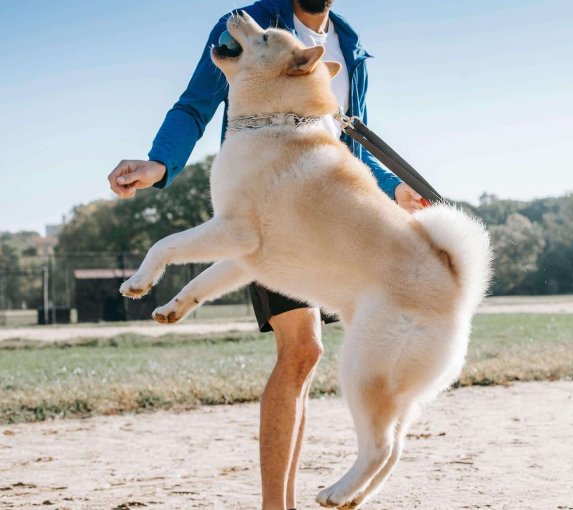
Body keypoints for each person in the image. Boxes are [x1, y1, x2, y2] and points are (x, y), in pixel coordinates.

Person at [106, 1, 423, 508]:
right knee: (300, 349)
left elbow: (347, 142)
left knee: (311, 353)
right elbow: (195, 105)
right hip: (266, 201)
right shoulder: (256, 23)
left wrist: (394, 189)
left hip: (326, 217)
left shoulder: (349, 45)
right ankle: (276, 505)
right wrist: (159, 162)